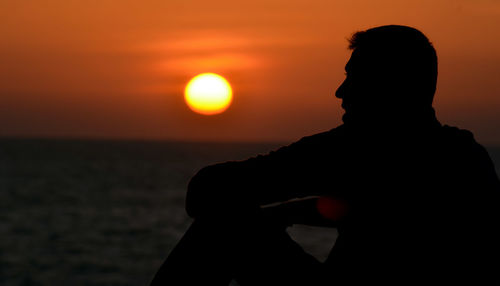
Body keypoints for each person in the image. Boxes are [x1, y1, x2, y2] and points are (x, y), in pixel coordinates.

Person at [150, 25, 500, 285]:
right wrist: (289, 212)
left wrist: (276, 214)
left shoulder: (353, 148)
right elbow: (389, 208)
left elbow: (208, 190)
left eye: (355, 79)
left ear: (390, 86)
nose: (340, 91)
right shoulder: (466, 157)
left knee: (222, 225)